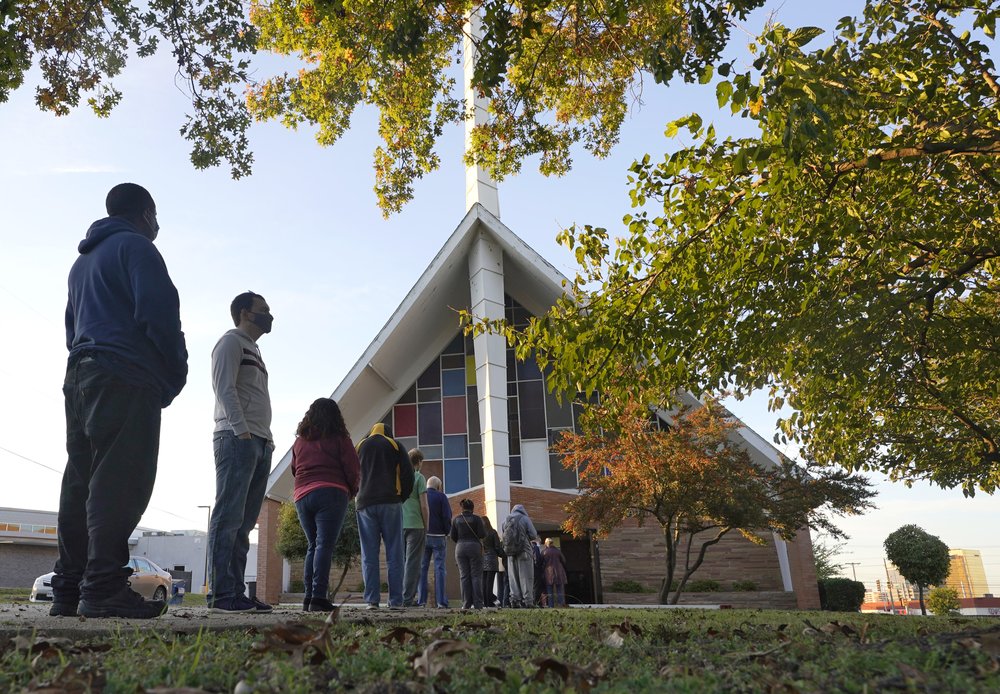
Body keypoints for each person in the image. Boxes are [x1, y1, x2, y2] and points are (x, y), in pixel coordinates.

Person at [53, 183, 187, 619]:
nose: (158, 225)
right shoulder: (138, 248)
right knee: (119, 480)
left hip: (80, 374)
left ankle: (68, 588)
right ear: (145, 213)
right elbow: (159, 313)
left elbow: (71, 328)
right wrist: (174, 371)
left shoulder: (82, 263)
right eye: (156, 215)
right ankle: (104, 587)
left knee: (80, 480)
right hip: (124, 375)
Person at [208, 291, 275, 613]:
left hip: (260, 441)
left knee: (245, 523)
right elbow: (224, 387)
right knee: (228, 517)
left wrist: (265, 438)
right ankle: (221, 595)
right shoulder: (231, 342)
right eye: (264, 310)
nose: (269, 315)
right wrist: (242, 430)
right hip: (237, 439)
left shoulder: (256, 350)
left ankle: (236, 591)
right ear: (245, 313)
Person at [291, 398, 360, 612]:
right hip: (331, 491)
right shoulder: (340, 438)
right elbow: (353, 468)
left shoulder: (299, 442)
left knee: (313, 545)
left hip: (302, 495)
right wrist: (351, 491)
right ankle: (319, 598)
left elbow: (295, 468)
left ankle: (309, 598)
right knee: (324, 546)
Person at [355, 422, 414, 609]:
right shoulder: (395, 445)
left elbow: (353, 474)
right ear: (388, 432)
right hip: (391, 502)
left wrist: (358, 496)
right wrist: (400, 498)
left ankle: (372, 601)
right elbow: (408, 475)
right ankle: (395, 601)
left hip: (365, 504)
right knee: (395, 553)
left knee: (369, 554)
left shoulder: (360, 446)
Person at [418, 475, 452, 608]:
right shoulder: (441, 497)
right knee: (440, 568)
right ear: (438, 486)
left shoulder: (422, 495)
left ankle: (421, 601)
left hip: (423, 535)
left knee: (422, 568)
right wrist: (446, 531)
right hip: (438, 536)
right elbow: (446, 516)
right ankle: (441, 602)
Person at [401, 449, 429, 607]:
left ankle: (398, 597)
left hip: (400, 524)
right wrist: (427, 525)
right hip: (416, 525)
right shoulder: (419, 477)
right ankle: (407, 599)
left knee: (401, 561)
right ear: (418, 462)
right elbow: (424, 506)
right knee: (413, 563)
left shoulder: (400, 477)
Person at [449, 498, 486, 610]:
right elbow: (482, 534)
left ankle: (466, 603)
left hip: (460, 547)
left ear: (462, 507)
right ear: (472, 508)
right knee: (476, 576)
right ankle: (478, 604)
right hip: (474, 547)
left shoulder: (456, 520)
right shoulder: (477, 519)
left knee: (464, 576)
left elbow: (453, 536)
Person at [502, 504, 538, 608]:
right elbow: (533, 535)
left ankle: (514, 600)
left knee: (513, 577)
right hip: (524, 551)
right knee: (526, 576)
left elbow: (504, 534)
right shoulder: (525, 519)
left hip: (510, 553)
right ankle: (528, 601)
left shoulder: (506, 520)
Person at [481, 515, 504, 607]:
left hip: (482, 559)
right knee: (490, 583)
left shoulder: (480, 534)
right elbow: (497, 547)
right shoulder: (493, 532)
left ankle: (486, 602)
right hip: (492, 559)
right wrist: (504, 555)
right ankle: (490, 602)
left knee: (484, 583)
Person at [542, 538, 568, 608]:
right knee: (560, 590)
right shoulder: (558, 551)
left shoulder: (544, 552)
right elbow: (564, 561)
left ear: (546, 543)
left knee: (549, 591)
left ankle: (551, 606)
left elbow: (542, 563)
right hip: (559, 572)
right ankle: (561, 604)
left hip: (548, 573)